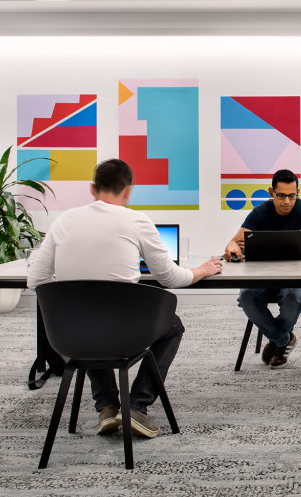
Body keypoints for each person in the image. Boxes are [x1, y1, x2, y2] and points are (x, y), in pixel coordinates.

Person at [27, 159, 223, 439]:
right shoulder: (137, 221)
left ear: (92, 189)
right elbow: (170, 278)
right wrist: (203, 269)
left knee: (91, 319)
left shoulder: (63, 221)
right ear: (128, 191)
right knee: (173, 326)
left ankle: (107, 407)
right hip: (126, 336)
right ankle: (137, 406)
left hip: (70, 337)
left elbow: (35, 280)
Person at [224, 169, 301, 368]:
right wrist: (232, 247)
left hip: (299, 276)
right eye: (281, 195)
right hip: (265, 276)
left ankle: (276, 342)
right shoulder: (260, 211)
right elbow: (235, 241)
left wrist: (263, 245)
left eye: (292, 196)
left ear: (297, 192)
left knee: (292, 295)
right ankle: (283, 340)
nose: (287, 201)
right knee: (246, 297)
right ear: (271, 192)